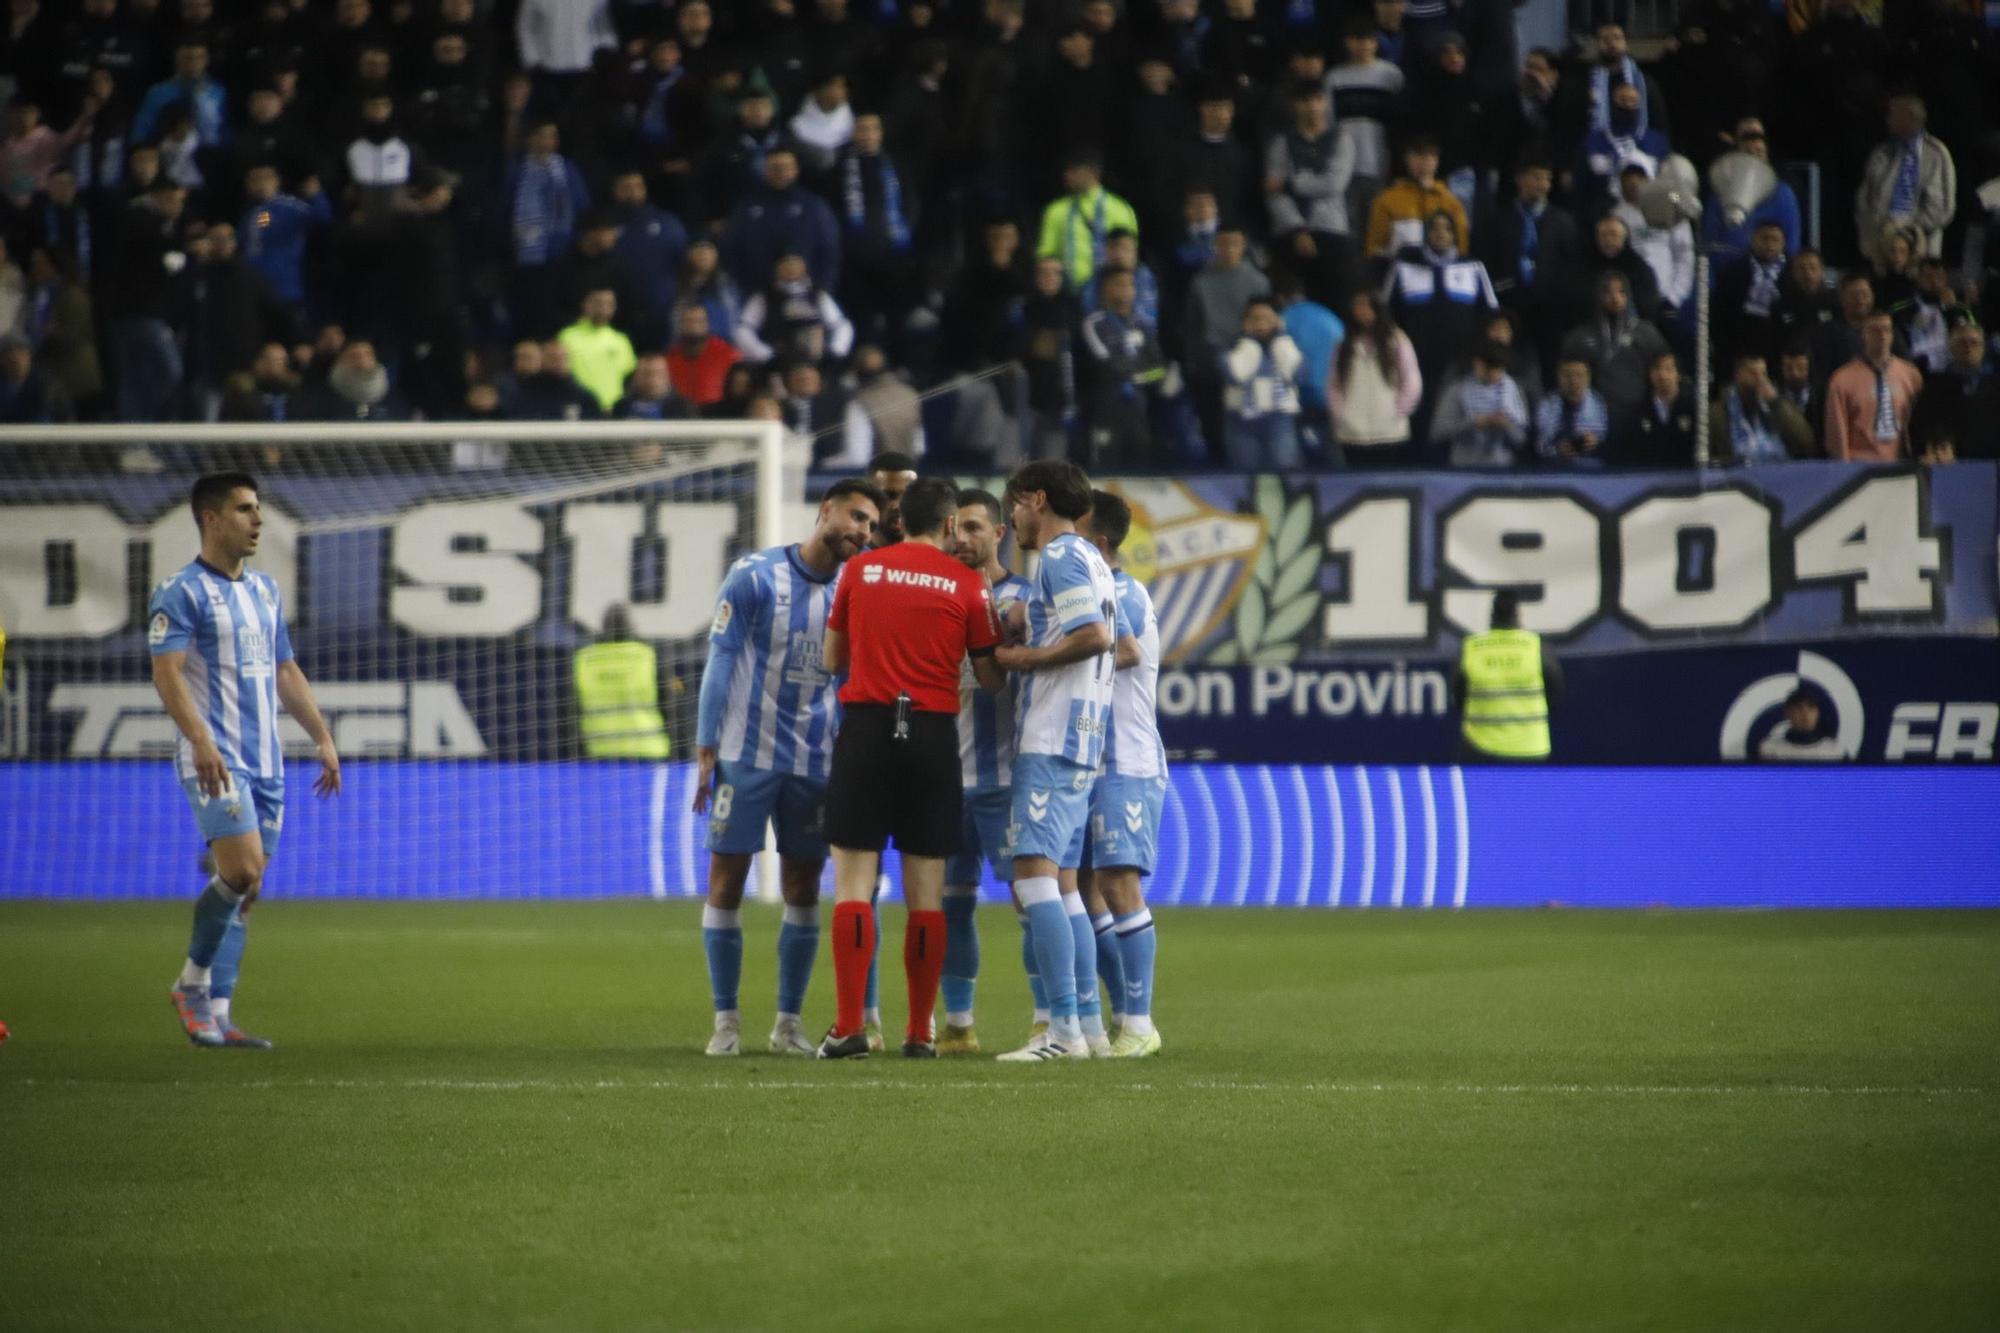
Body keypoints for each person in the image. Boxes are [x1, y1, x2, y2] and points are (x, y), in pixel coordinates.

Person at [815, 478, 1006, 1059]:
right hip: (930, 734)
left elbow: (831, 660)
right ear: (950, 525)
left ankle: (850, 1026)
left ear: (900, 522)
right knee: (927, 894)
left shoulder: (861, 572)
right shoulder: (969, 586)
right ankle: (920, 1032)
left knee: (854, 883)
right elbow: (992, 677)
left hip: (868, 728)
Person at [693, 478, 884, 1057]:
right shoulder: (754, 576)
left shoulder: (859, 588)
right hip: (745, 756)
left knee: (803, 885)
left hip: (816, 761)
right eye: (855, 517)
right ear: (825, 511)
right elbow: (721, 658)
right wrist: (706, 749)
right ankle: (726, 1022)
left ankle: (788, 1024)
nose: (862, 531)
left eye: (871, 525)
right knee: (726, 881)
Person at [151, 473, 342, 1048]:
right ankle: (190, 986)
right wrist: (202, 740)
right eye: (244, 510)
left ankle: (219, 1013)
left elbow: (286, 671)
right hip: (215, 759)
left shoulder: (263, 591)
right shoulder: (180, 591)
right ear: (210, 519)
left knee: (248, 892)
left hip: (268, 762)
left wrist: (322, 737)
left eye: (258, 509)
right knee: (242, 871)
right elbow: (167, 672)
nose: (257, 520)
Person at [993, 459, 1128, 1062]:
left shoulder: (1060, 556)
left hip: (1052, 737)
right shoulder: (1095, 561)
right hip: (1083, 736)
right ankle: (1089, 1028)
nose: (1011, 519)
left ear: (1037, 499)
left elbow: (1093, 637)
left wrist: (1020, 658)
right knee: (1067, 886)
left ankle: (1062, 1033)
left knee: (1033, 879)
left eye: (1014, 506)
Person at [935, 489, 1033, 1056]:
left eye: (973, 527)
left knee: (1031, 900)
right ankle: (958, 1024)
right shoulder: (937, 594)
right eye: (954, 528)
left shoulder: (1026, 597)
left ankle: (1048, 1021)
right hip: (945, 780)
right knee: (952, 902)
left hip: (1006, 779)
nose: (961, 538)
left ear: (999, 533)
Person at [1076, 490, 1164, 1059]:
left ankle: (1139, 1023)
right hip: (1086, 758)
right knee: (1084, 892)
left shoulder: (1122, 588)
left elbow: (1126, 651)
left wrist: (1053, 649)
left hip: (1124, 759)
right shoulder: (1095, 587)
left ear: (1098, 542)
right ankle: (1118, 1015)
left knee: (1117, 886)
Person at [1453, 590, 1560, 762]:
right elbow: (1555, 694)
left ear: (1491, 615)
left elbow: (1458, 696)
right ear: (1517, 614)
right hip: (1531, 748)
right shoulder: (1536, 647)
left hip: (1480, 748)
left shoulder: (1471, 648)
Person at [1855, 94, 1956, 268]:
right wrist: (1879, 231)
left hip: (1921, 249)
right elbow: (1864, 199)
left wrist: (1907, 230)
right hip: (1881, 247)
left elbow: (1943, 207)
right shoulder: (1881, 154)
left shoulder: (1937, 153)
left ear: (1909, 117)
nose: (1887, 120)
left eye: (1892, 115)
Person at [1329, 289, 1422, 467]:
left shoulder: (1396, 340)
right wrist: (1339, 413)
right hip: (1352, 430)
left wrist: (1399, 410)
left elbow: (1411, 378)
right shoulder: (1343, 343)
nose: (1362, 312)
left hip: (1389, 428)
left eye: (1367, 307)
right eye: (1358, 307)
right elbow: (1334, 383)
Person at [572, 604, 669, 758]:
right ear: (632, 626)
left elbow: (571, 707)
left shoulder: (585, 659)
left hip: (599, 750)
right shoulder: (646, 656)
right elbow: (669, 705)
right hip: (647, 749)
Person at [1036, 148, 1139, 292]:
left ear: (1092, 172)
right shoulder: (1055, 211)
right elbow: (1046, 255)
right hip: (1069, 295)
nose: (1067, 176)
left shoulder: (1119, 209)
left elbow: (1129, 255)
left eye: (1073, 170)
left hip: (1108, 294)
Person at [1824, 310, 1921, 462]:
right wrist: (1843, 468)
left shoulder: (1911, 375)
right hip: (1860, 463)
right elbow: (1837, 431)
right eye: (1875, 330)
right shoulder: (1842, 379)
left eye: (1887, 330)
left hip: (1902, 462)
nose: (1882, 335)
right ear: (1863, 334)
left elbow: (1919, 422)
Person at [1222, 296, 1306, 469]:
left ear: (1277, 320)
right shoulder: (1234, 346)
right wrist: (1248, 343)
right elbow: (1235, 375)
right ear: (1245, 321)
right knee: (1245, 473)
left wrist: (1281, 341)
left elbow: (1298, 375)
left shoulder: (1287, 344)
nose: (1260, 324)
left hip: (1279, 418)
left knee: (1284, 468)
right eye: (1254, 318)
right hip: (1241, 420)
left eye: (1266, 318)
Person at [1431, 341, 1529, 468]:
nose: (1495, 375)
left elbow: (1521, 439)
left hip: (1502, 468)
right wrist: (1473, 423)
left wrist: (1506, 425)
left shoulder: (1513, 390)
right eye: (1490, 369)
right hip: (1464, 467)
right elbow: (1438, 432)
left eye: (1499, 369)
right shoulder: (1457, 390)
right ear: (1478, 364)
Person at [1714, 352, 1814, 466]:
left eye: (1763, 374)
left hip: (1778, 474)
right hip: (1737, 479)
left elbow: (1806, 442)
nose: (1760, 379)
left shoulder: (1778, 405)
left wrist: (1777, 404)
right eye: (1753, 373)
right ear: (1738, 375)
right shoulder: (1719, 412)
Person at [557, 287, 637, 413]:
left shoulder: (621, 340)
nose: (603, 308)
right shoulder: (566, 337)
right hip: (579, 409)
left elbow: (629, 377)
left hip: (614, 412)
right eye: (597, 302)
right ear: (585, 304)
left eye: (609, 304)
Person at [1533, 356, 1612, 469]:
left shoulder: (1600, 405)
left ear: (1588, 378)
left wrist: (1596, 443)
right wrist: (1557, 450)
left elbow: (1611, 446)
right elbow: (1538, 445)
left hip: (1591, 468)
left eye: (1579, 375)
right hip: (1553, 468)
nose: (1573, 381)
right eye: (1567, 375)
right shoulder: (1546, 405)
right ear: (1558, 377)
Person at [1621, 352, 1697, 468]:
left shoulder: (1693, 408)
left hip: (1684, 477)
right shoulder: (1638, 411)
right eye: (1657, 369)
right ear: (1650, 374)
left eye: (1668, 369)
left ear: (1678, 374)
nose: (1663, 375)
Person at [1758, 688, 1844, 761]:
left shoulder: (1834, 751)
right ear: (1787, 713)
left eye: (1811, 707)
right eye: (1798, 708)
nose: (1805, 714)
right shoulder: (1770, 749)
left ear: (1818, 713)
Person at [865, 451, 920, 547]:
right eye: (888, 496)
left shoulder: (931, 559)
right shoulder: (851, 560)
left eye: (907, 495)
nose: (898, 506)